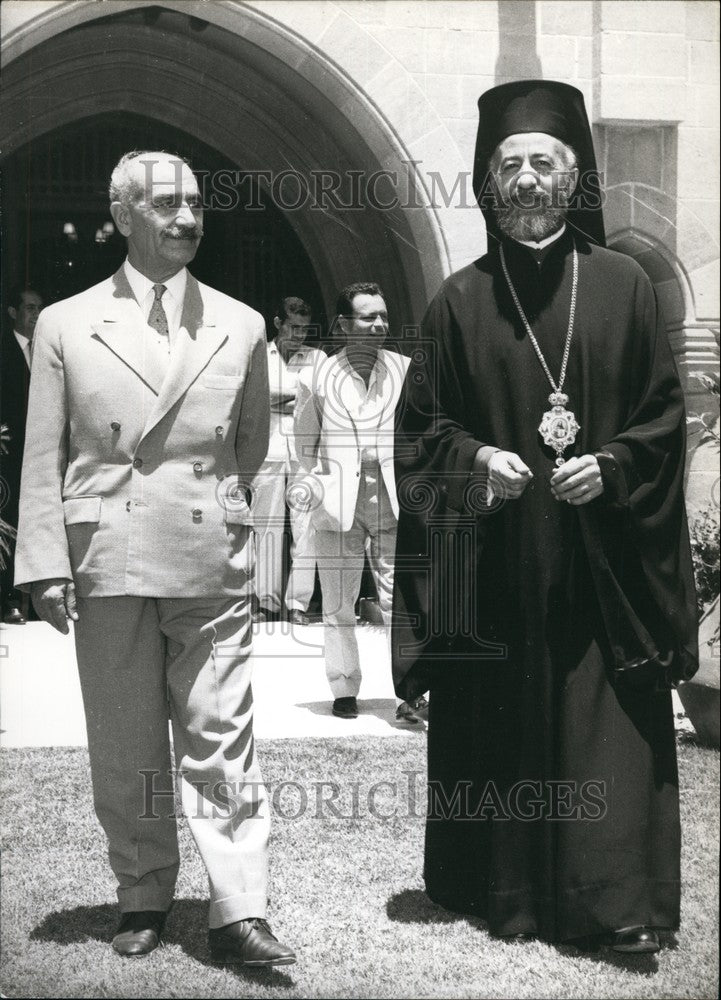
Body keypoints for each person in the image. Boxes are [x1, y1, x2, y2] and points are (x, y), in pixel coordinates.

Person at [392, 81, 698, 953]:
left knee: (606, 729)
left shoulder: (626, 286)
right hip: (498, 563)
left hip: (604, 564)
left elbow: (662, 418)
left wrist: (610, 466)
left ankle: (615, 906)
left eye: (543, 163)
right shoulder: (457, 299)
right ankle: (502, 888)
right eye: (509, 165)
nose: (526, 180)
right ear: (491, 184)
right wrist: (478, 461)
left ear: (573, 178)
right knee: (501, 719)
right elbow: (421, 428)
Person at [14, 150, 295, 966]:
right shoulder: (66, 322)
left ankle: (237, 906)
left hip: (208, 554)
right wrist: (43, 562)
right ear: (123, 213)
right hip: (106, 557)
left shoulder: (241, 323)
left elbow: (247, 445)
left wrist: (216, 514)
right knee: (126, 740)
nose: (187, 219)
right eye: (167, 205)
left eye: (197, 206)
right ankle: (143, 893)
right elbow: (42, 452)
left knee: (221, 735)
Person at [294, 281, 425, 723]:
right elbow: (304, 445)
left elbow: (423, 435)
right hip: (338, 500)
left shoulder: (406, 370)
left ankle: (410, 692)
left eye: (383, 316)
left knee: (399, 600)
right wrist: (314, 491)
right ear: (344, 325)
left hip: (392, 496)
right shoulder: (315, 376)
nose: (379, 325)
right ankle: (344, 688)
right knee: (338, 602)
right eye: (368, 317)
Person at [252, 297, 320, 626]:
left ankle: (298, 603)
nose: (299, 335)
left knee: (306, 528)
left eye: (305, 329)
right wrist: (296, 396)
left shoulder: (317, 357)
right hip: (268, 450)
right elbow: (254, 397)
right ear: (278, 323)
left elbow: (322, 399)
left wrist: (279, 398)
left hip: (306, 453)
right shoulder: (258, 355)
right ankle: (267, 602)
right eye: (293, 327)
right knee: (266, 526)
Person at [1, 283, 43, 624]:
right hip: (6, 457)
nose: (35, 314)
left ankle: (30, 600)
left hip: (36, 457)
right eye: (29, 308)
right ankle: (9, 599)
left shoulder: (43, 351)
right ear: (13, 313)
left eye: (38, 308)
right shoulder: (3, 352)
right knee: (6, 525)